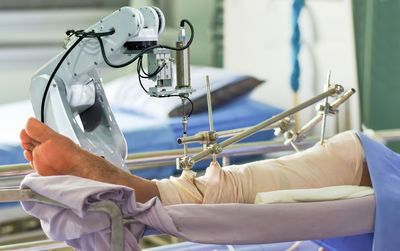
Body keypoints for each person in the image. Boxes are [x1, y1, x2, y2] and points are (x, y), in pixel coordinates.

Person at [20, 117, 372, 205]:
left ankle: (148, 190)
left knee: (345, 157)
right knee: (347, 157)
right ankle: (149, 191)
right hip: (371, 162)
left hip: (368, 162)